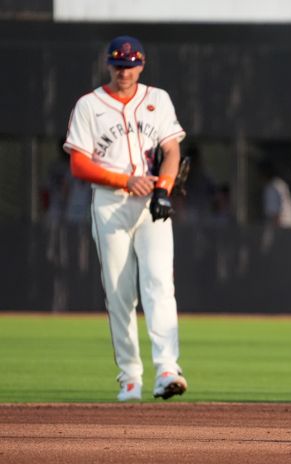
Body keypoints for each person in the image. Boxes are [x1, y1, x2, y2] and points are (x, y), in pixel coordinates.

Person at [63, 35, 188, 402]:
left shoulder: (157, 99)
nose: (125, 70)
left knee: (160, 284)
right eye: (119, 64)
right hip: (110, 200)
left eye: (131, 64)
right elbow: (79, 163)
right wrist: (123, 179)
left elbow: (171, 149)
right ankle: (130, 377)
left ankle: (167, 369)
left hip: (152, 200)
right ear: (109, 65)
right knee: (119, 292)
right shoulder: (89, 105)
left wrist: (163, 189)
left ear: (142, 64)